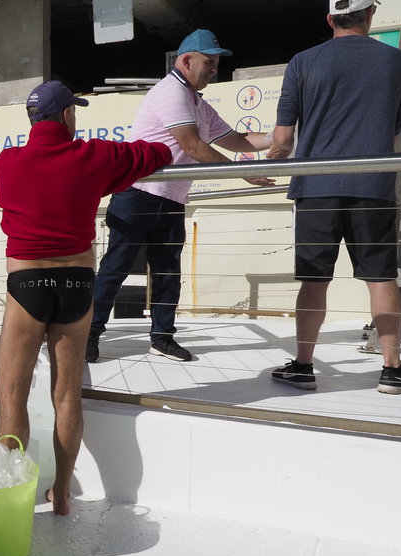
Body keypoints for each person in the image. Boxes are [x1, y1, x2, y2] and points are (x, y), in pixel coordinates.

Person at [0, 80, 172, 514]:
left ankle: (15, 497)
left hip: (27, 285)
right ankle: (64, 496)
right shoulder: (93, 156)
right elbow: (157, 154)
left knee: (12, 394)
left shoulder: (9, 161)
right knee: (67, 393)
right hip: (76, 283)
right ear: (67, 115)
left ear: (33, 119)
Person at [86, 29, 276, 364]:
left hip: (172, 200)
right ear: (186, 61)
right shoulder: (170, 91)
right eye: (209, 62)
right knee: (114, 269)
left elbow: (236, 139)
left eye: (216, 63)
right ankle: (89, 336)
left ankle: (162, 338)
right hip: (137, 195)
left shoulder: (198, 102)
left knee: (167, 273)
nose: (214, 69)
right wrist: (241, 172)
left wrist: (282, 135)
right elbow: (192, 145)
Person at [267, 0, 401, 393]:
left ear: (330, 18)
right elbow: (395, 132)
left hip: (316, 187)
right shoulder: (398, 62)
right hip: (373, 185)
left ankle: (302, 366)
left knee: (314, 280)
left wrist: (271, 157)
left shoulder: (302, 61)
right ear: (370, 16)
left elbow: (283, 138)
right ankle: (392, 370)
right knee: (381, 277)